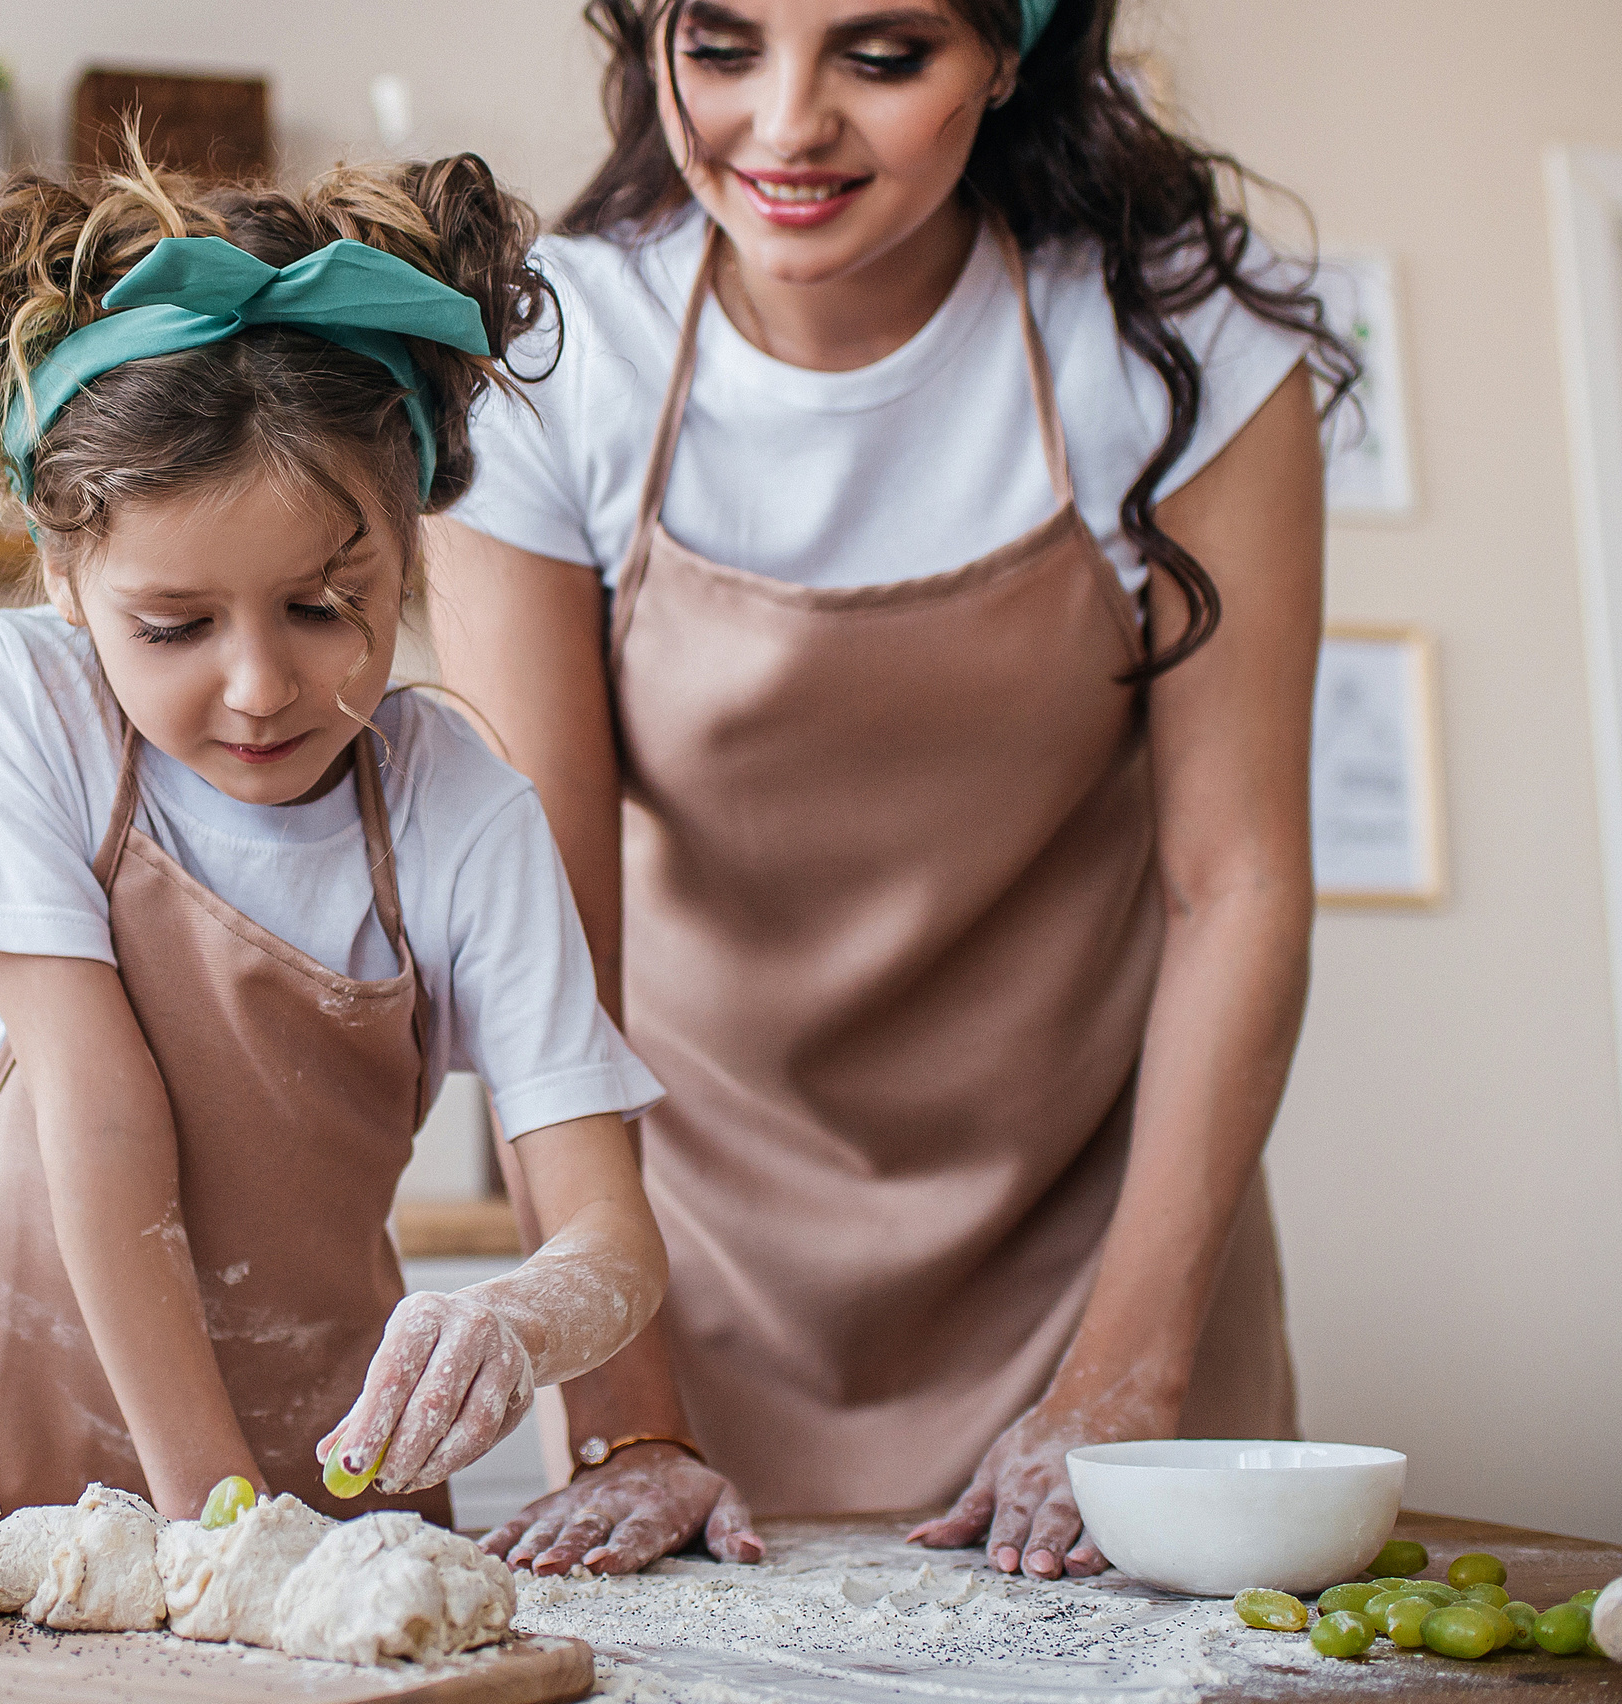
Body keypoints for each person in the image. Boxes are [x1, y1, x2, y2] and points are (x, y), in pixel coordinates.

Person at [429, 0, 1357, 1578]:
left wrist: (1121, 1379)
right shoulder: (550, 364)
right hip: (682, 1259)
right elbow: (544, 939)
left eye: (880, 55)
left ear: (1010, 52)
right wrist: (630, 1414)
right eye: (722, 50)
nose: (785, 125)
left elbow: (1239, 883)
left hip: (1109, 1247)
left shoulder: (1177, 343)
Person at [0, 152, 673, 1525]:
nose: (257, 685)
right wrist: (221, 1522)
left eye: (322, 607)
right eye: (174, 625)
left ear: (408, 550)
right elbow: (98, 1112)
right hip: (22, 1477)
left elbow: (611, 1232)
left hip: (333, 1489)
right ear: (66, 575)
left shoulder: (457, 808)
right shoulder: (27, 702)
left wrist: (523, 1324)